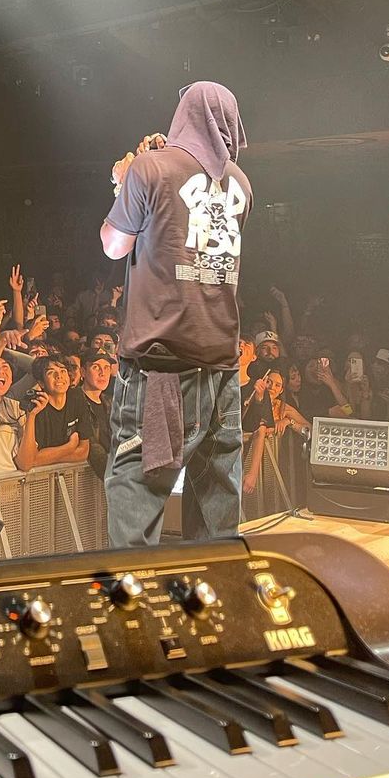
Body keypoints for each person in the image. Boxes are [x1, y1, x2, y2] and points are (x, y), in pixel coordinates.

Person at [102, 81, 252, 545]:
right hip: (223, 368)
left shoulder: (148, 169)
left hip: (161, 368)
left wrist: (124, 181)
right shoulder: (242, 184)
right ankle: (217, 588)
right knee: (216, 507)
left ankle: (130, 594)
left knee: (136, 490)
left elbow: (114, 245)